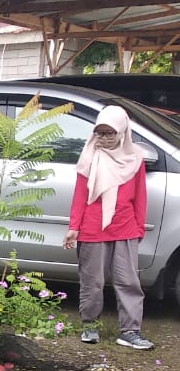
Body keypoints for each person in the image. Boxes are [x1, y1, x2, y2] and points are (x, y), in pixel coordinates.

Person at [63, 105, 154, 350]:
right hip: (92, 227)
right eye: (99, 133)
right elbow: (80, 195)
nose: (103, 139)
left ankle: (130, 331)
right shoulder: (90, 156)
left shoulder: (135, 158)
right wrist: (74, 227)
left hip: (125, 226)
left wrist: (139, 228)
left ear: (122, 132)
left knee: (128, 281)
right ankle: (89, 324)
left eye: (109, 133)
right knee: (92, 280)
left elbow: (140, 197)